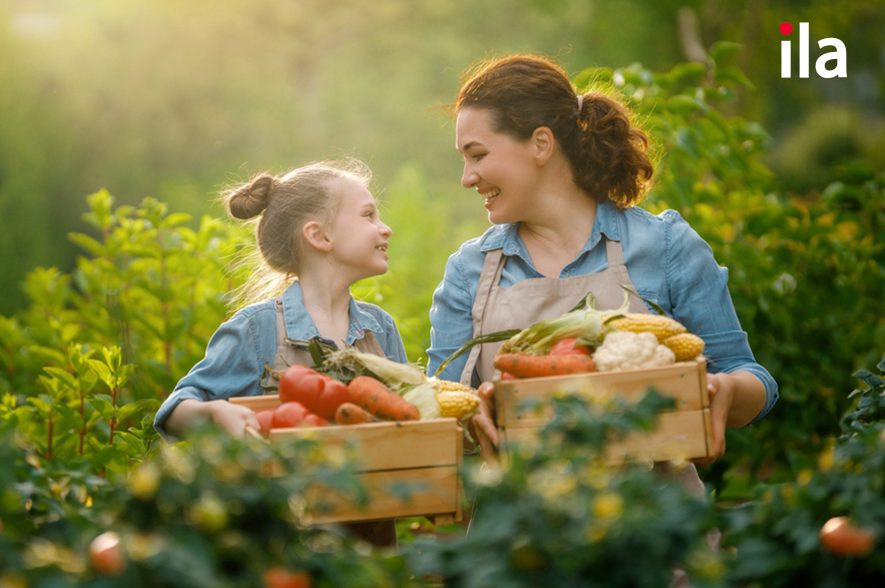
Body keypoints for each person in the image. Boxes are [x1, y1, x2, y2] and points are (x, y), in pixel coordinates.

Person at [426, 54, 778, 491]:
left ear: (541, 143)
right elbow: (438, 414)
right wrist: (463, 419)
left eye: (477, 155)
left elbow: (751, 376)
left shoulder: (665, 246)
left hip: (658, 530)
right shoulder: (469, 271)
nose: (467, 177)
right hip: (519, 539)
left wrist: (727, 393)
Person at [154, 159, 405, 440]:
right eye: (368, 215)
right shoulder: (257, 329)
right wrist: (215, 413)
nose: (385, 228)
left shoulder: (381, 328)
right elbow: (174, 412)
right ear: (319, 235)